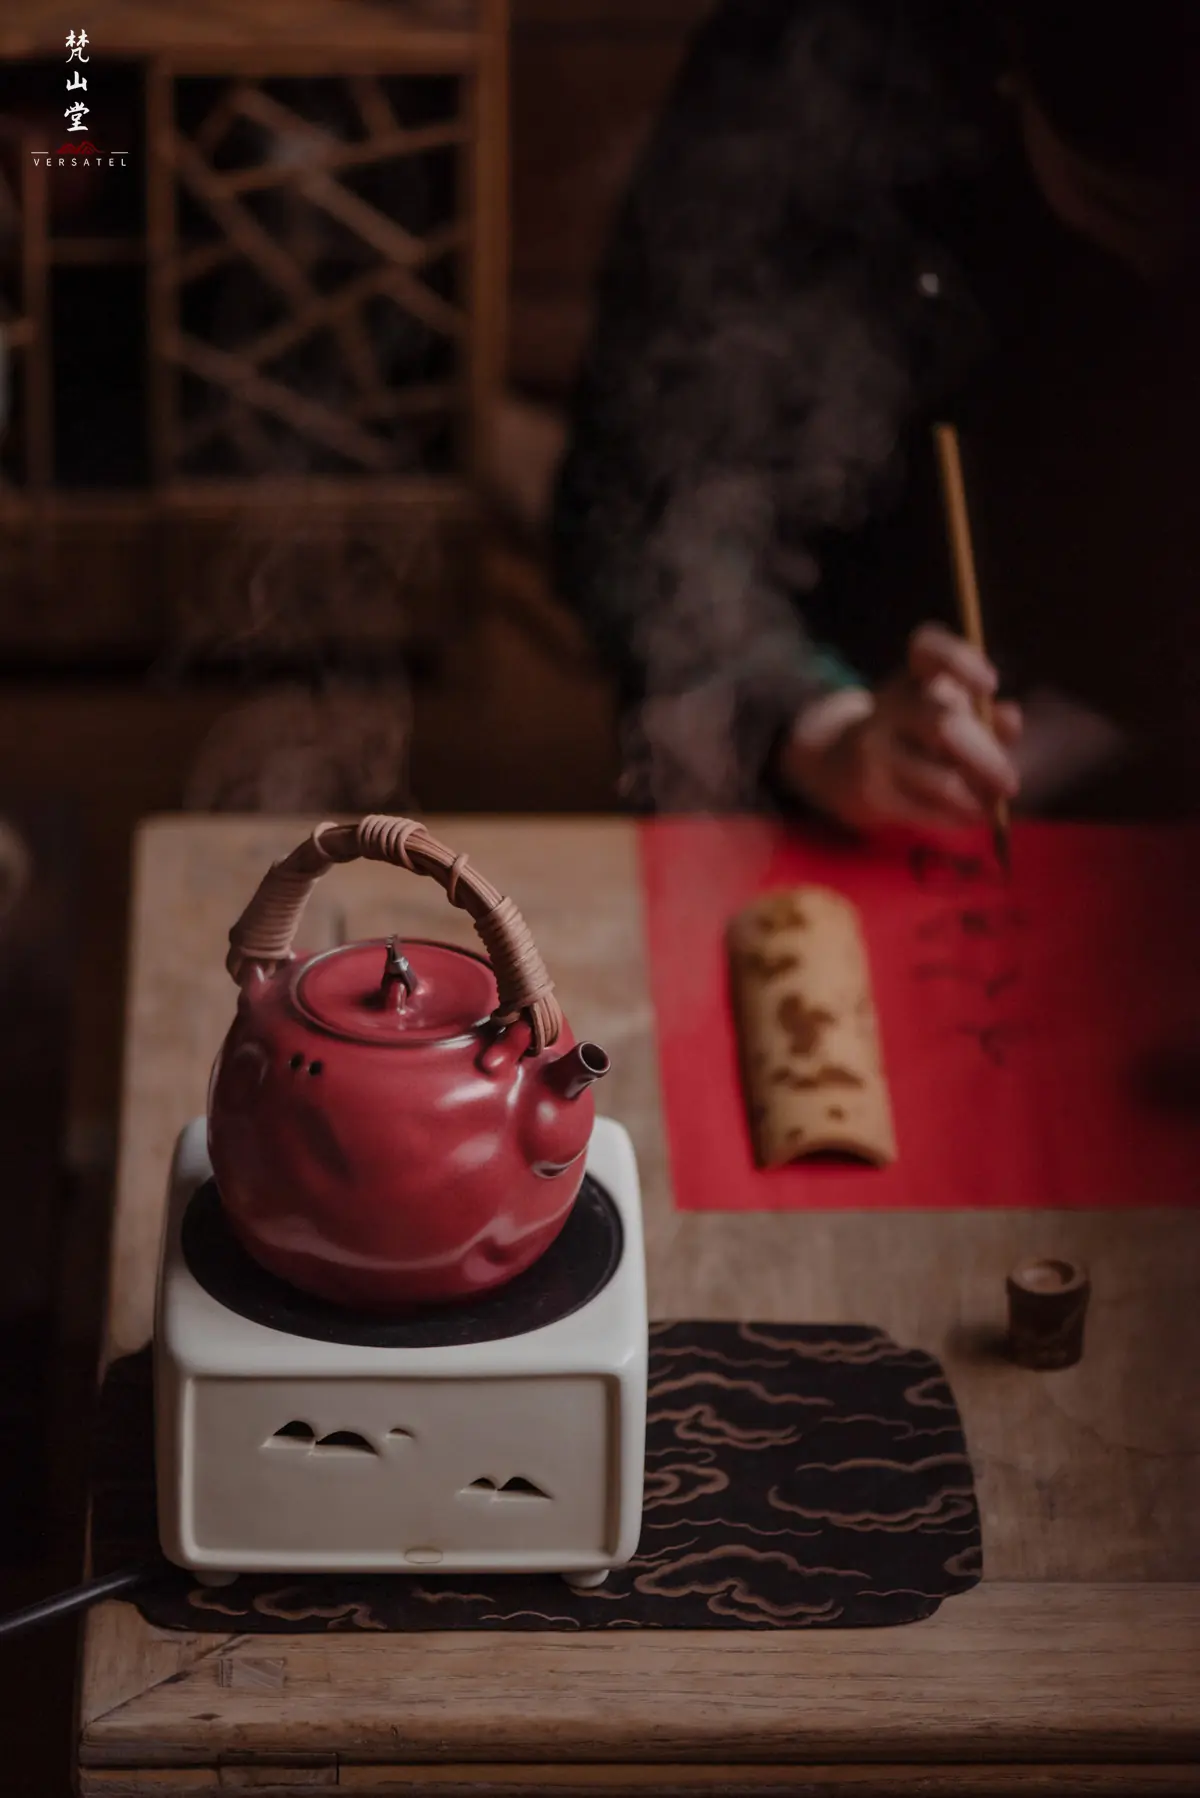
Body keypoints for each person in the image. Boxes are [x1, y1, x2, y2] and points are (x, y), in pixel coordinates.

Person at [551, 0, 1200, 826]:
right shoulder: (809, 62)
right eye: (1130, 210)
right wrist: (812, 721)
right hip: (834, 753)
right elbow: (632, 492)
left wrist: (1123, 714)